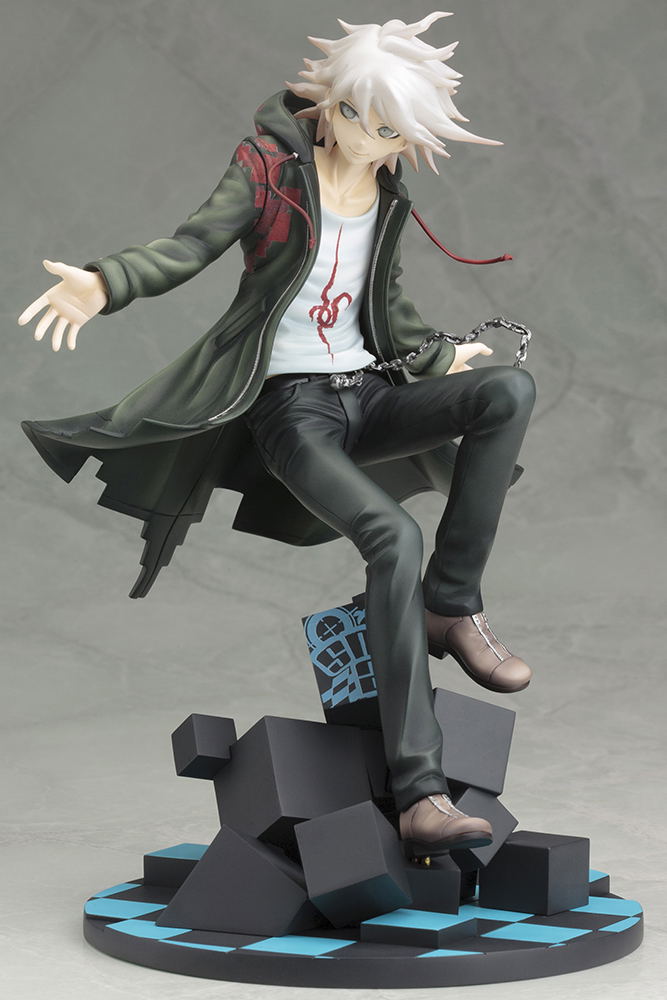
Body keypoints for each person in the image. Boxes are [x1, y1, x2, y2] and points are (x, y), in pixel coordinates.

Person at [18, 12, 535, 859]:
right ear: (332, 102)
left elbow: (383, 298)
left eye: (393, 132)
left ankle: (450, 605)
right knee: (392, 540)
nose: (372, 141)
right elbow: (190, 245)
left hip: (369, 393)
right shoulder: (268, 170)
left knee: (506, 392)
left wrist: (441, 356)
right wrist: (106, 283)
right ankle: (420, 794)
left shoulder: (388, 190)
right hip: (291, 411)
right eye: (362, 118)